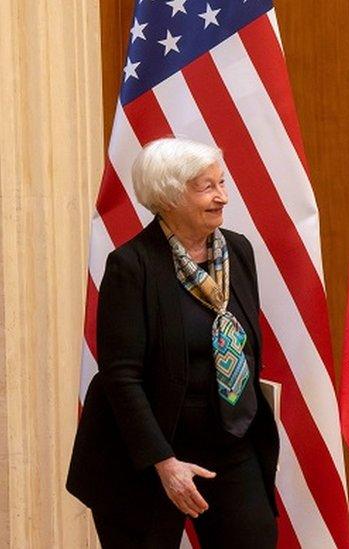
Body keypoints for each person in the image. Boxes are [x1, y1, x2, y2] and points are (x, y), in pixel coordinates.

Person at [67, 138, 280, 548]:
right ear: (169, 196)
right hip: (146, 455)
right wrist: (164, 463)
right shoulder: (132, 266)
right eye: (208, 187)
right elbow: (121, 376)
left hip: (229, 444)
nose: (223, 197)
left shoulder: (237, 250)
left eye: (222, 183)